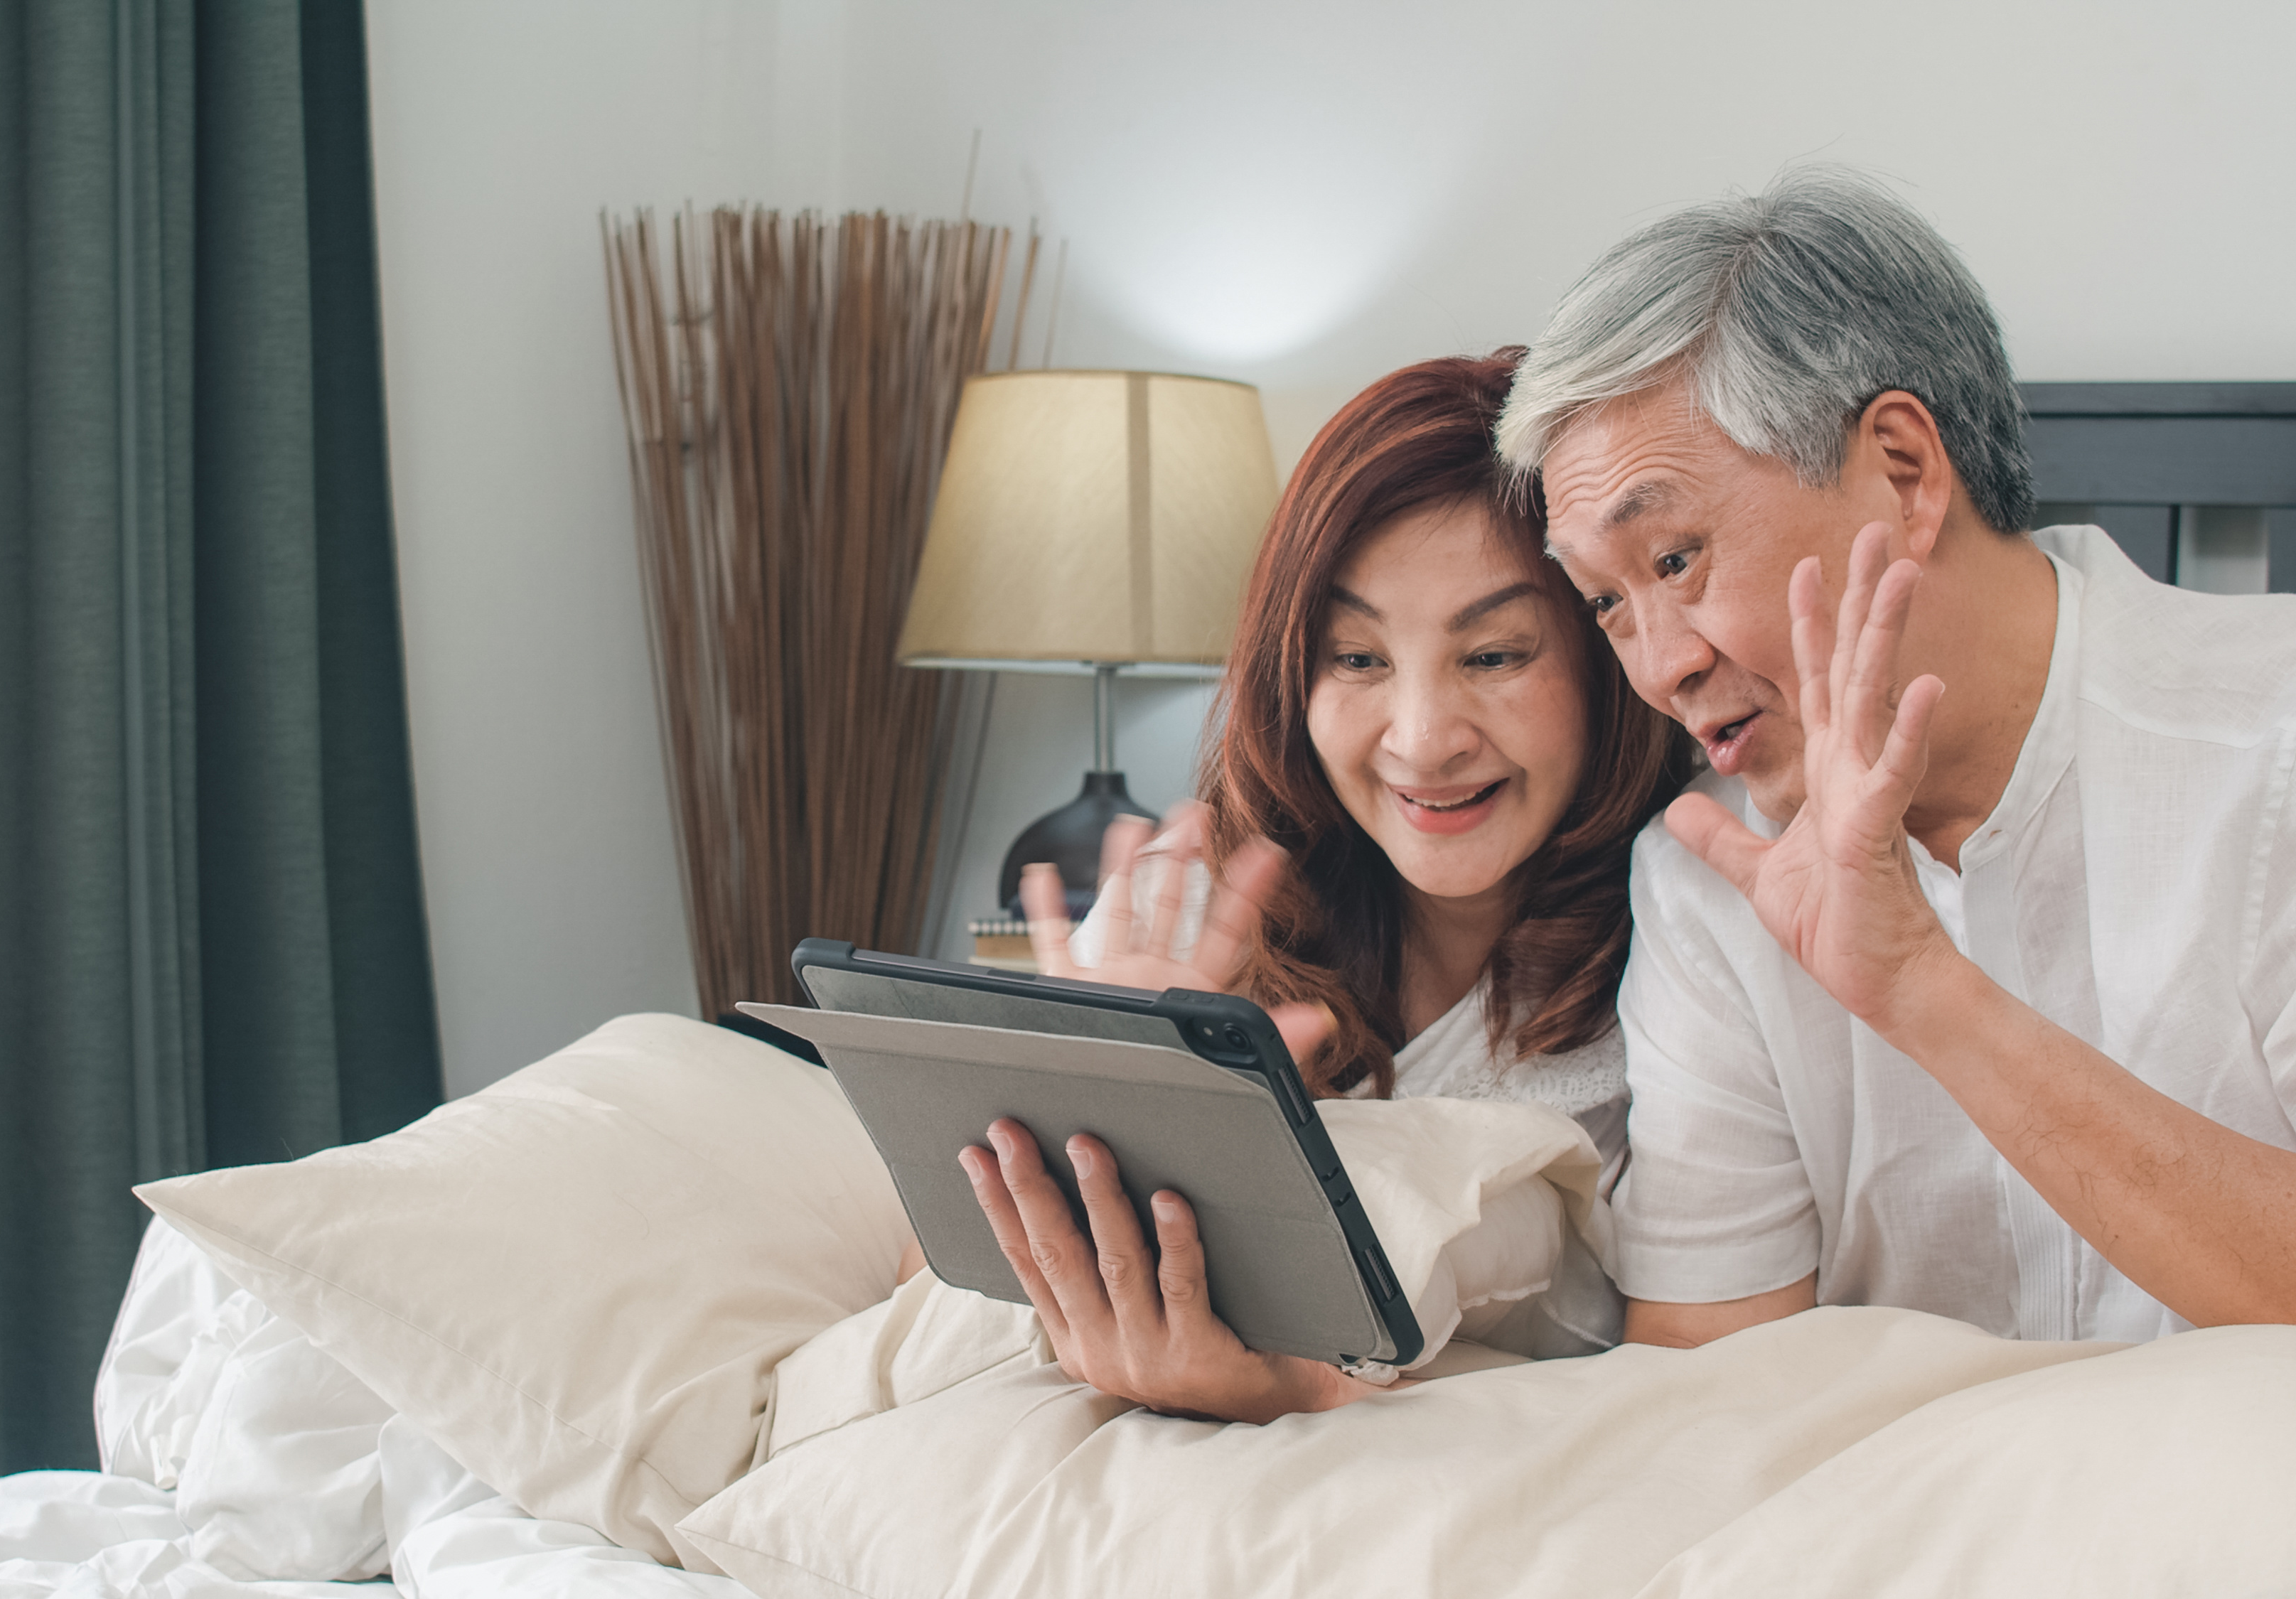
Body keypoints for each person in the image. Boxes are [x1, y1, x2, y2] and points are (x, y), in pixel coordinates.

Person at [1492, 165, 2296, 1350]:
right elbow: (1709, 1393)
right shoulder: (1711, 877)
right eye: (1606, 601)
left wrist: (1924, 989)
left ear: (1906, 474)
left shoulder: (2270, 746)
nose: (1661, 666)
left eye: (1674, 560)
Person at [955, 352, 1690, 1423]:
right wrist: (1103, 1083)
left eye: (1493, 655)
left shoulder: (1690, 964)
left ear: (1602, 654)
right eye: (1355, 658)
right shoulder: (1191, 914)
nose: (1424, 739)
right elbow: (936, 1277)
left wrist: (1281, 1382)